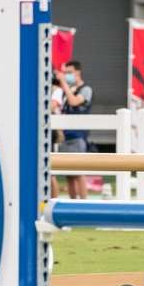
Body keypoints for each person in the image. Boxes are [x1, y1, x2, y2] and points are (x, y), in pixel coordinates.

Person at [58, 60, 93, 199]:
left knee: (79, 173)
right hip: (65, 137)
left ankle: (84, 205)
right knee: (69, 175)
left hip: (78, 137)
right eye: (65, 73)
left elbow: (74, 101)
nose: (66, 76)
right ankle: (73, 204)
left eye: (69, 73)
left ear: (78, 72)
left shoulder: (86, 89)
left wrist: (64, 84)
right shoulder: (68, 90)